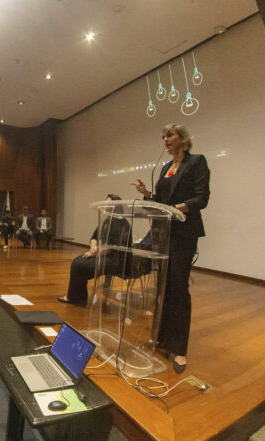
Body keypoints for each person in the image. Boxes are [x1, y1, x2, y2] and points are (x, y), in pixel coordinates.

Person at [131, 123, 210, 373]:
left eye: (170, 135)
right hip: (164, 232)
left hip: (184, 233)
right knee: (163, 287)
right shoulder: (165, 168)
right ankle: (162, 338)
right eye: (164, 135)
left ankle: (180, 349)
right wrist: (146, 194)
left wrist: (179, 208)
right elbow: (161, 202)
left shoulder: (196, 162)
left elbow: (202, 198)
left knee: (178, 288)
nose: (165, 139)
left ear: (182, 138)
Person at [58, 194, 129, 307]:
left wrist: (95, 253)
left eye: (108, 204)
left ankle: (75, 297)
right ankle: (79, 296)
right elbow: (94, 236)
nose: (105, 206)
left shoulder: (122, 223)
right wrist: (93, 248)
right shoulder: (106, 221)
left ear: (116, 207)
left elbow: (115, 247)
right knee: (78, 262)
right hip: (103, 255)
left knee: (79, 264)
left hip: (114, 260)